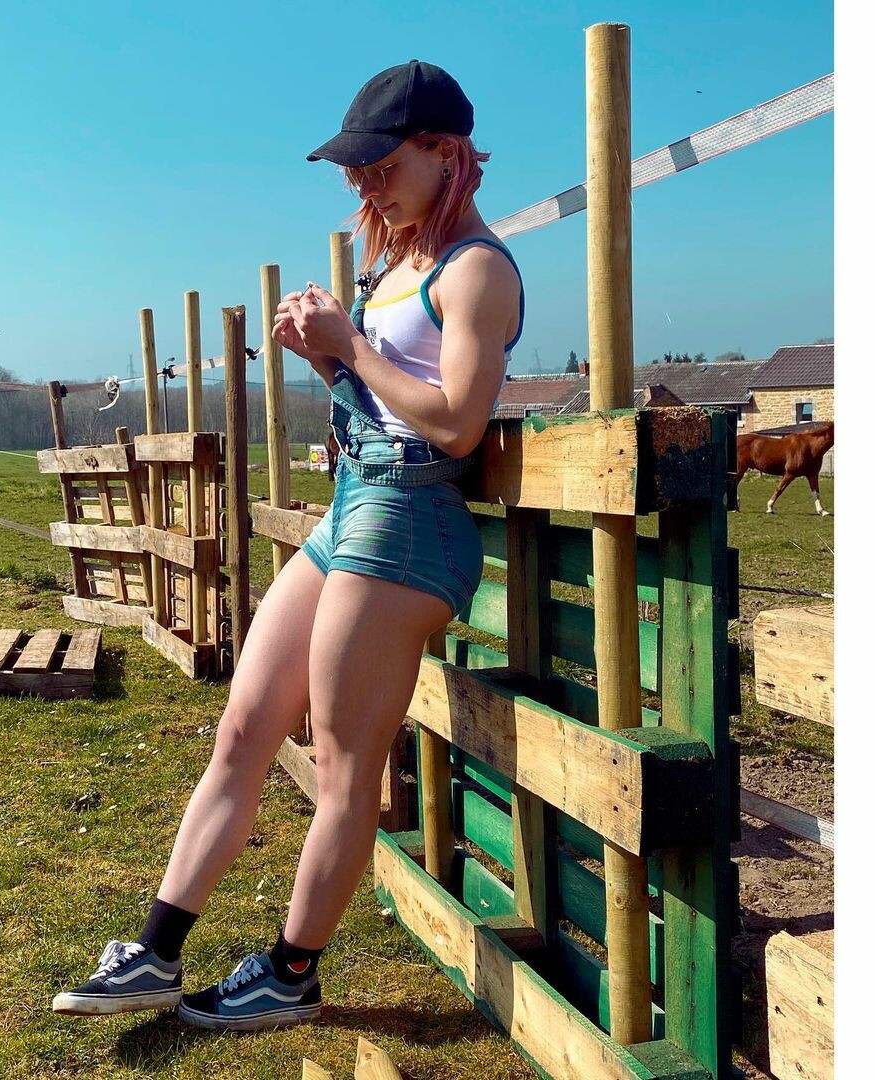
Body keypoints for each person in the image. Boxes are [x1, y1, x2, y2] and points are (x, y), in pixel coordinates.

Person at [52, 58, 524, 1032]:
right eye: (357, 173)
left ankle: (291, 973)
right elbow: (384, 402)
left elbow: (456, 424)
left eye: (382, 167)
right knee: (244, 726)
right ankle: (154, 953)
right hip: (354, 506)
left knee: (346, 769)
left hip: (411, 522)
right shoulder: (396, 263)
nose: (367, 187)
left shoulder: (477, 269)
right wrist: (330, 358)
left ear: (446, 152)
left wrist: (351, 348)